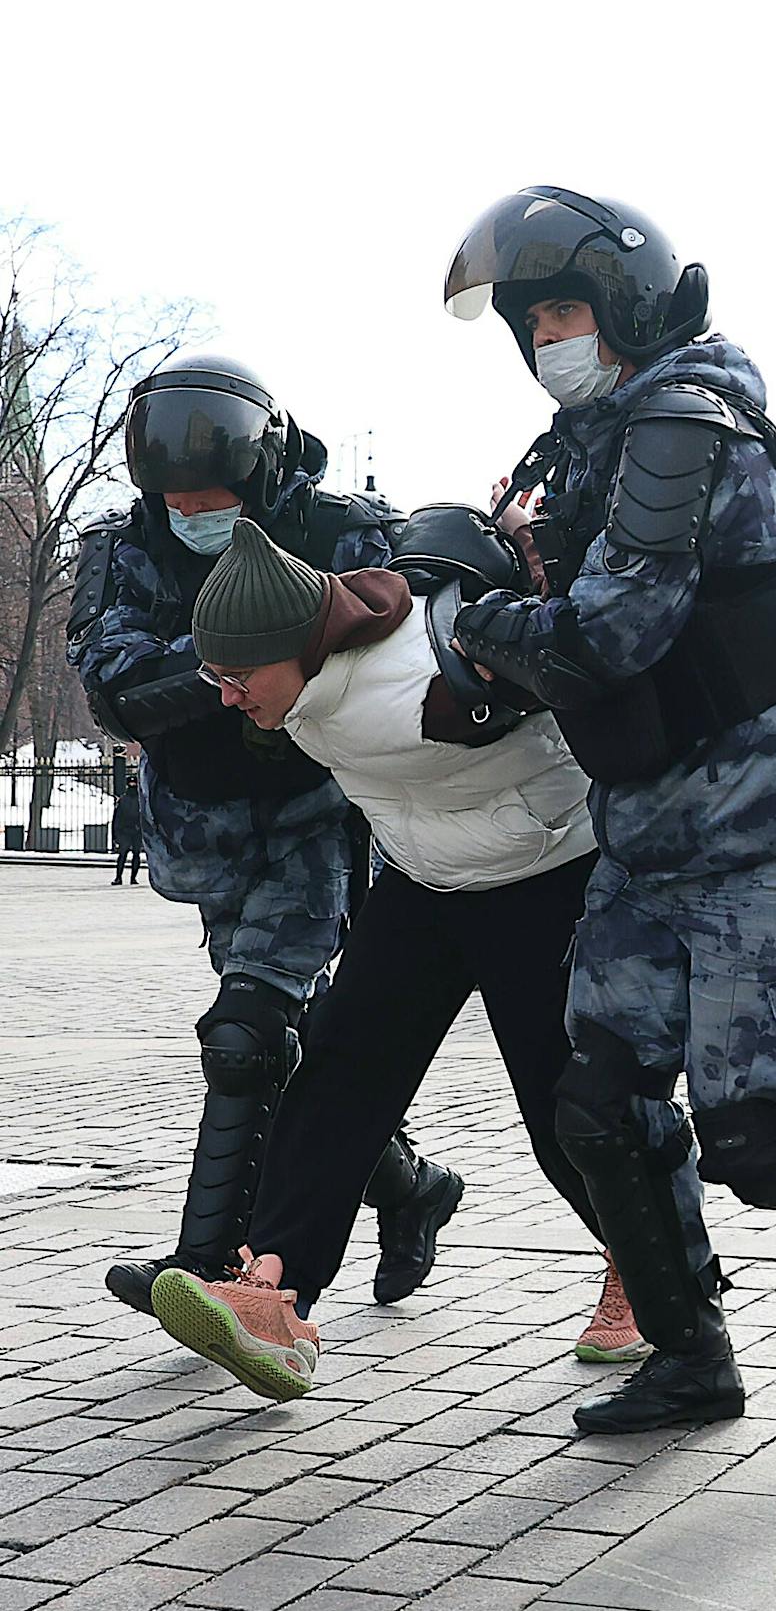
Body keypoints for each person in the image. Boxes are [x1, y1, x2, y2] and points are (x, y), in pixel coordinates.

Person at [442, 185, 776, 1434]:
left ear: (624, 301)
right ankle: (690, 1355)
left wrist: (475, 624)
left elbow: (609, 632)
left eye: (563, 307)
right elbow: (544, 593)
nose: (547, 336)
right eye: (530, 319)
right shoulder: (582, 444)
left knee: (758, 1135)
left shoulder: (681, 422)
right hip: (650, 823)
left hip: (772, 820)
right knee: (600, 1098)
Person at [147, 511, 647, 1398]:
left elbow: (585, 658)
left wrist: (547, 560)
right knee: (337, 1070)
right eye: (212, 676)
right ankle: (273, 1292)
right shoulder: (296, 686)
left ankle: (645, 1271)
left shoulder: (426, 673)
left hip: (543, 881)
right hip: (419, 882)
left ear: (293, 645)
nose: (226, 694)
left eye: (236, 674)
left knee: (558, 1107)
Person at [66, 355, 461, 1315]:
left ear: (263, 475)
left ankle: (205, 1268)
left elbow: (393, 637)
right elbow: (115, 689)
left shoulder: (343, 529)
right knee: (289, 1041)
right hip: (206, 824)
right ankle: (409, 1184)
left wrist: (210, 663)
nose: (191, 514)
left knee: (246, 1037)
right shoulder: (119, 547)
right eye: (174, 499)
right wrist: (267, 638)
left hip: (319, 810)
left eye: (213, 498)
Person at [110, 780, 142, 885]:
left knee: (135, 854)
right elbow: (117, 818)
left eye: (134, 784)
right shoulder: (125, 800)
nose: (133, 785)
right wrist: (116, 833)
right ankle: (119, 877)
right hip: (126, 831)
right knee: (123, 854)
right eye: (131, 784)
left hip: (135, 831)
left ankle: (132, 878)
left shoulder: (140, 799)